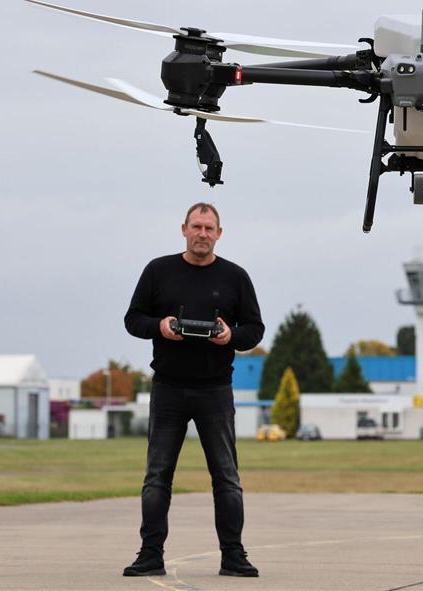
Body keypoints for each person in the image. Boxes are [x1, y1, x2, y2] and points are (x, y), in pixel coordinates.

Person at [122, 202, 264, 578]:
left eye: (209, 228)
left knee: (227, 477)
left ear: (220, 233)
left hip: (215, 389)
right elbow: (133, 319)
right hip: (168, 387)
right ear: (183, 229)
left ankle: (233, 555)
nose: (202, 234)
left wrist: (230, 335)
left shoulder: (235, 276)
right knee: (157, 476)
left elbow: (255, 329)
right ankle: (150, 553)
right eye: (196, 227)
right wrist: (162, 325)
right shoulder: (158, 271)